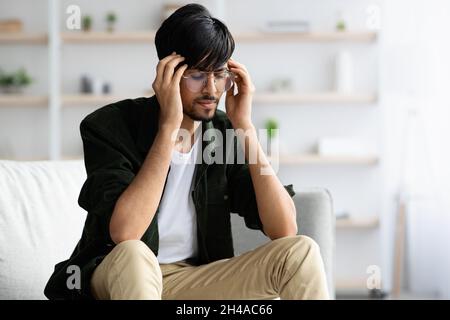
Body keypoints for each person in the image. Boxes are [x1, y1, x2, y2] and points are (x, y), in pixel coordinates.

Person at [44, 3, 329, 300]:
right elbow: (125, 232)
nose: (211, 89)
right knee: (133, 253)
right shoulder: (110, 125)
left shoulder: (223, 132)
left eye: (219, 75)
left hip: (193, 279)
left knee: (301, 251)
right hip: (120, 273)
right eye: (196, 75)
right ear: (167, 73)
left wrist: (244, 126)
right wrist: (168, 128)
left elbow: (284, 227)